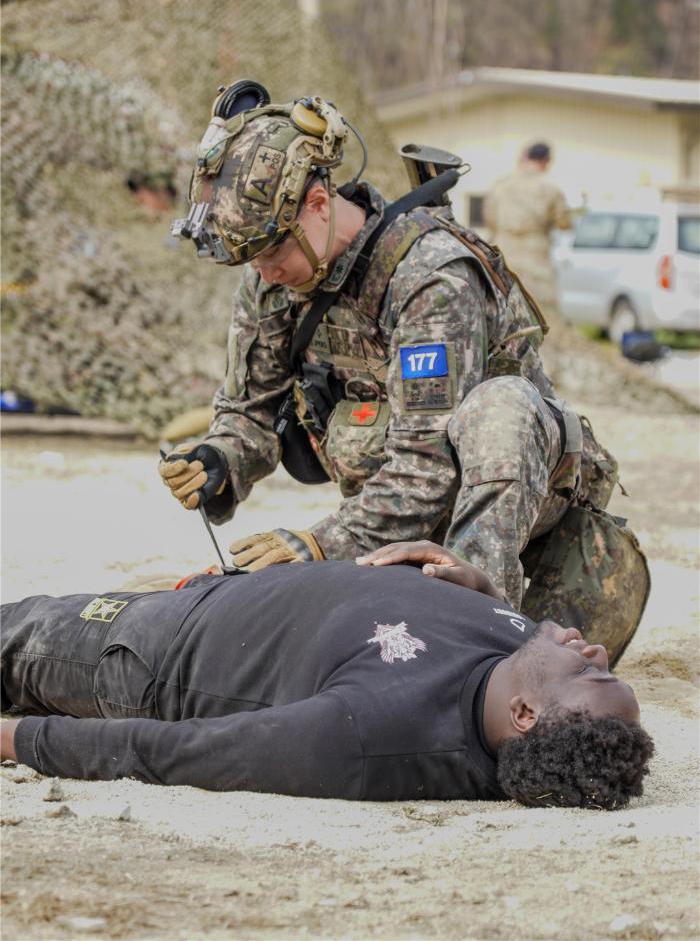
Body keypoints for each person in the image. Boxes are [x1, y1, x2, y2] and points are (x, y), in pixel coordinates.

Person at [158, 85, 613, 613]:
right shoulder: (272, 279)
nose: (264, 273)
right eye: (251, 260)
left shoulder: (430, 276)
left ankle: (477, 623)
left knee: (501, 408)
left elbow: (428, 466)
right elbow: (251, 409)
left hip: (523, 520)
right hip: (396, 525)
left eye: (273, 252)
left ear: (319, 204)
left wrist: (318, 544)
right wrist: (219, 458)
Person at [0, 558, 653, 808]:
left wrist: (16, 740)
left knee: (15, 631)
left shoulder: (371, 735)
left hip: (143, 650)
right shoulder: (520, 654)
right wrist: (478, 588)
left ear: (526, 715)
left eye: (591, 672)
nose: (594, 648)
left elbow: (177, 750)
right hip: (218, 595)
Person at [483, 141, 570, 306]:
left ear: (525, 157)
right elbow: (564, 223)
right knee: (542, 310)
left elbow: (490, 219)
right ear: (547, 161)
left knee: (504, 306)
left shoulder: (500, 186)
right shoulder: (550, 188)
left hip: (503, 252)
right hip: (536, 257)